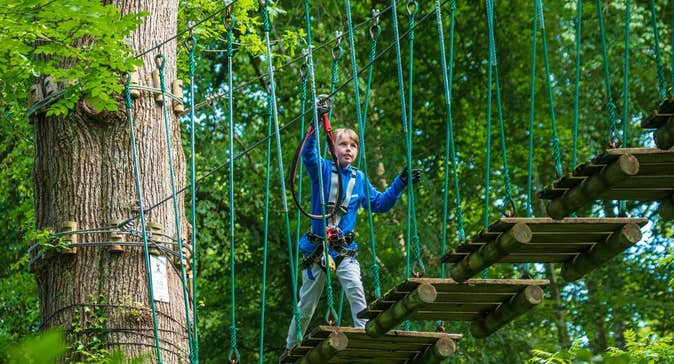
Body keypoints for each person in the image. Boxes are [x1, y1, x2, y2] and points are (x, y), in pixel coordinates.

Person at [283, 99, 421, 355]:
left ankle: (363, 335)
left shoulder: (359, 180)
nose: (348, 149)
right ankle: (291, 349)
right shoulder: (322, 171)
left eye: (353, 145)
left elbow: (380, 203)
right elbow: (309, 155)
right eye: (343, 144)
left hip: (344, 249)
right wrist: (316, 122)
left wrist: (400, 183)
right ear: (332, 147)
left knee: (356, 289)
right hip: (317, 250)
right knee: (307, 305)